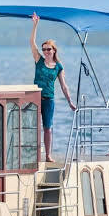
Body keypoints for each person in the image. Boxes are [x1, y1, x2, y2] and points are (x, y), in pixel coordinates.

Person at [30, 12, 75, 162]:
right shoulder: (39, 60)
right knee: (33, 127)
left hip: (49, 100)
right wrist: (35, 25)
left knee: (47, 128)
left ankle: (48, 155)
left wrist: (70, 102)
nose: (46, 52)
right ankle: (33, 154)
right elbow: (32, 43)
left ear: (54, 50)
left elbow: (64, 86)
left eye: (48, 49)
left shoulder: (58, 67)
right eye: (44, 49)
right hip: (35, 98)